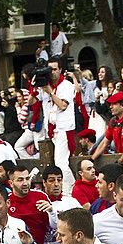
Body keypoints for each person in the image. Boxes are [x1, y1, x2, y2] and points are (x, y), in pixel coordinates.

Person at [39, 57, 77, 189]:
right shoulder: (45, 84)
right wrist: (34, 85)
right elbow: (32, 102)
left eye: (55, 69)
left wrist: (50, 92)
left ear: (60, 70)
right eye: (50, 70)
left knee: (61, 163)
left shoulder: (66, 85)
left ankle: (70, 189)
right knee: (57, 162)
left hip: (64, 128)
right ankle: (71, 187)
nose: (52, 72)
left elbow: (62, 105)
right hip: (51, 128)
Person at [91, 91, 123, 165]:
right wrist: (92, 160)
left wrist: (118, 164)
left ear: (122, 106)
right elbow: (104, 142)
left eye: (114, 104)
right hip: (122, 159)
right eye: (110, 104)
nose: (110, 107)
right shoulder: (113, 121)